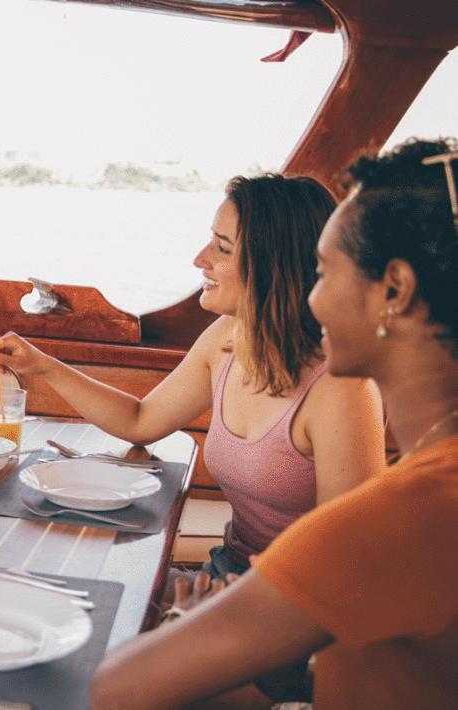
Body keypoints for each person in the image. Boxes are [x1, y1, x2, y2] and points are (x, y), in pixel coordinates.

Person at [88, 137, 458, 710]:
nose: (310, 300)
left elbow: (121, 688)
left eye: (324, 272)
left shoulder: (401, 515)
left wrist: (185, 622)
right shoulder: (431, 479)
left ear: (393, 291)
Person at [0, 174, 385, 579]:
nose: (200, 260)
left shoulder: (342, 388)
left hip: (292, 598)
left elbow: (351, 563)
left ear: (272, 264)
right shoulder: (227, 338)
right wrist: (44, 365)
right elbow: (140, 421)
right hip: (227, 571)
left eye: (222, 247)